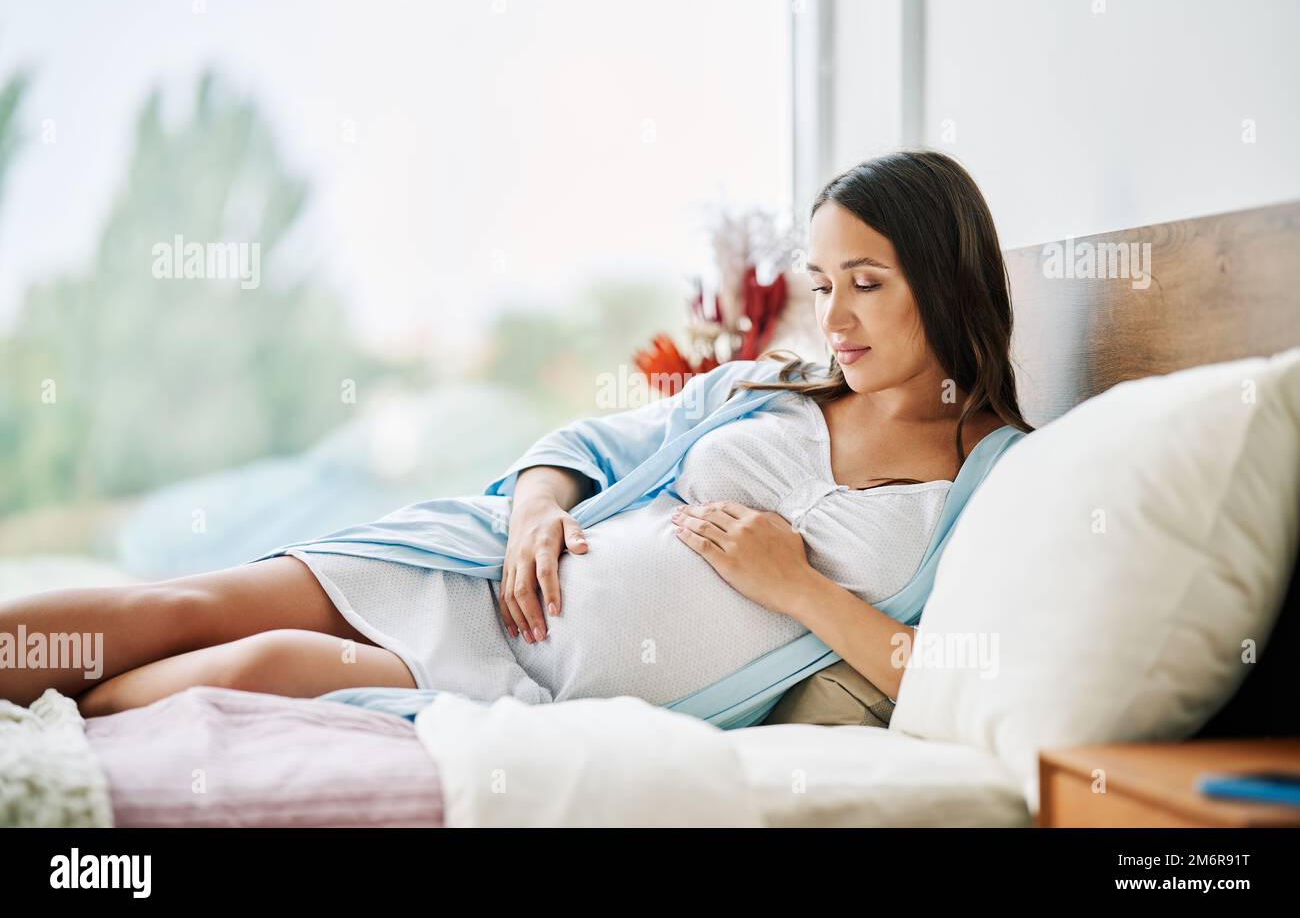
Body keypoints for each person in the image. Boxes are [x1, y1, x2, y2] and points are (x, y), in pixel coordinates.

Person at [0, 150, 1033, 725]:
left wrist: (797, 587)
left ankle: (45, 739)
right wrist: (534, 514)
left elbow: (958, 675)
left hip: (528, 683)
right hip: (476, 569)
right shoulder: (762, 387)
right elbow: (585, 441)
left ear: (944, 276)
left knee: (255, 667)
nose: (837, 319)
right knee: (184, 605)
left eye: (866, 285)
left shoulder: (995, 481)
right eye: (823, 286)